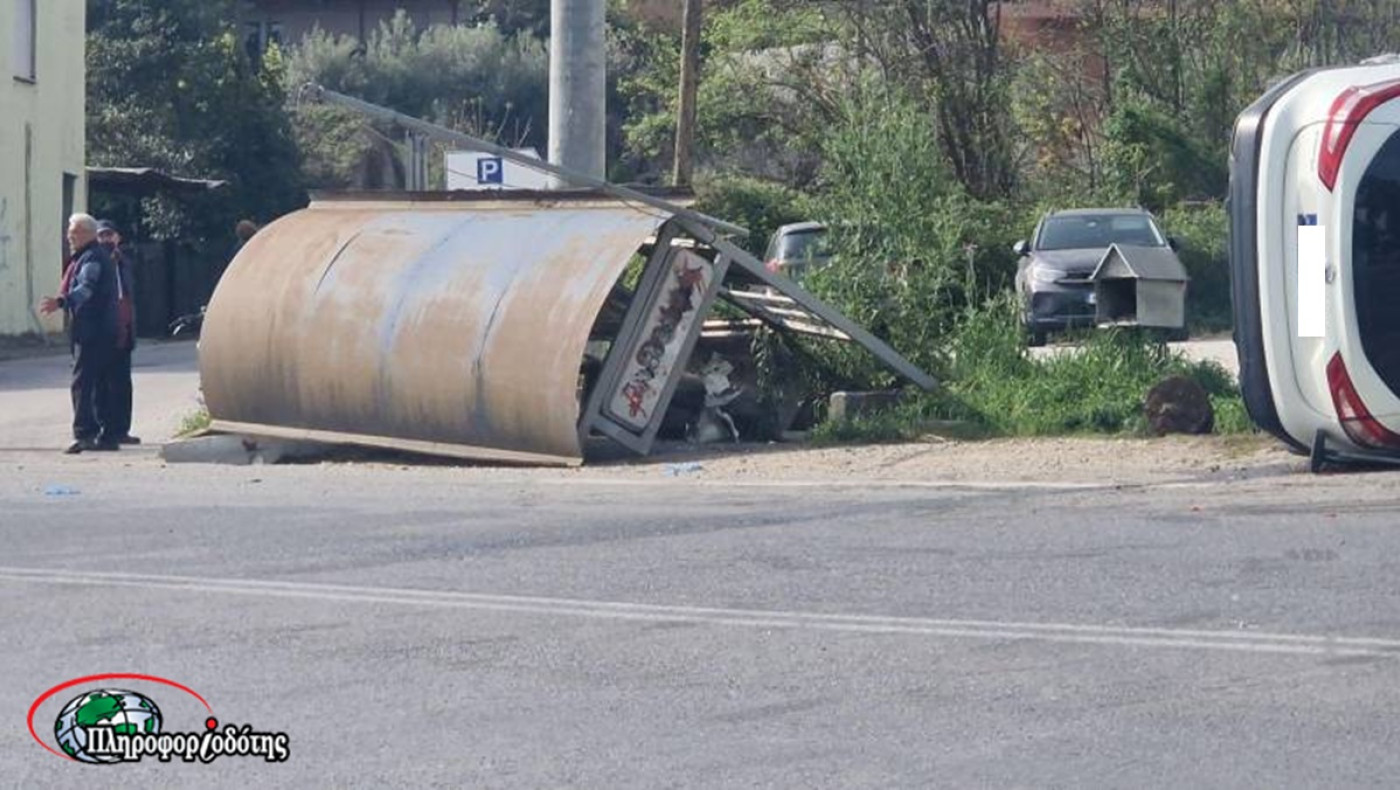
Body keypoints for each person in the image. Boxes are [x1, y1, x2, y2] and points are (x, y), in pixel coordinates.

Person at [39, 214, 121, 454]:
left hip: (92, 330)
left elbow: (86, 288)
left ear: (87, 233)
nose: (69, 236)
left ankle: (85, 433)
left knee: (83, 382)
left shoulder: (92, 258)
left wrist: (62, 301)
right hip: (104, 328)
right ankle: (108, 435)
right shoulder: (95, 255)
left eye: (73, 232)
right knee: (101, 382)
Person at [95, 220, 140, 445]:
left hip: (124, 328)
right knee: (101, 383)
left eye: (109, 235)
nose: (106, 239)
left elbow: (129, 294)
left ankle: (121, 429)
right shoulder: (93, 261)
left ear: (117, 237)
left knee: (122, 383)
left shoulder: (124, 262)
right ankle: (104, 428)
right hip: (103, 330)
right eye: (101, 235)